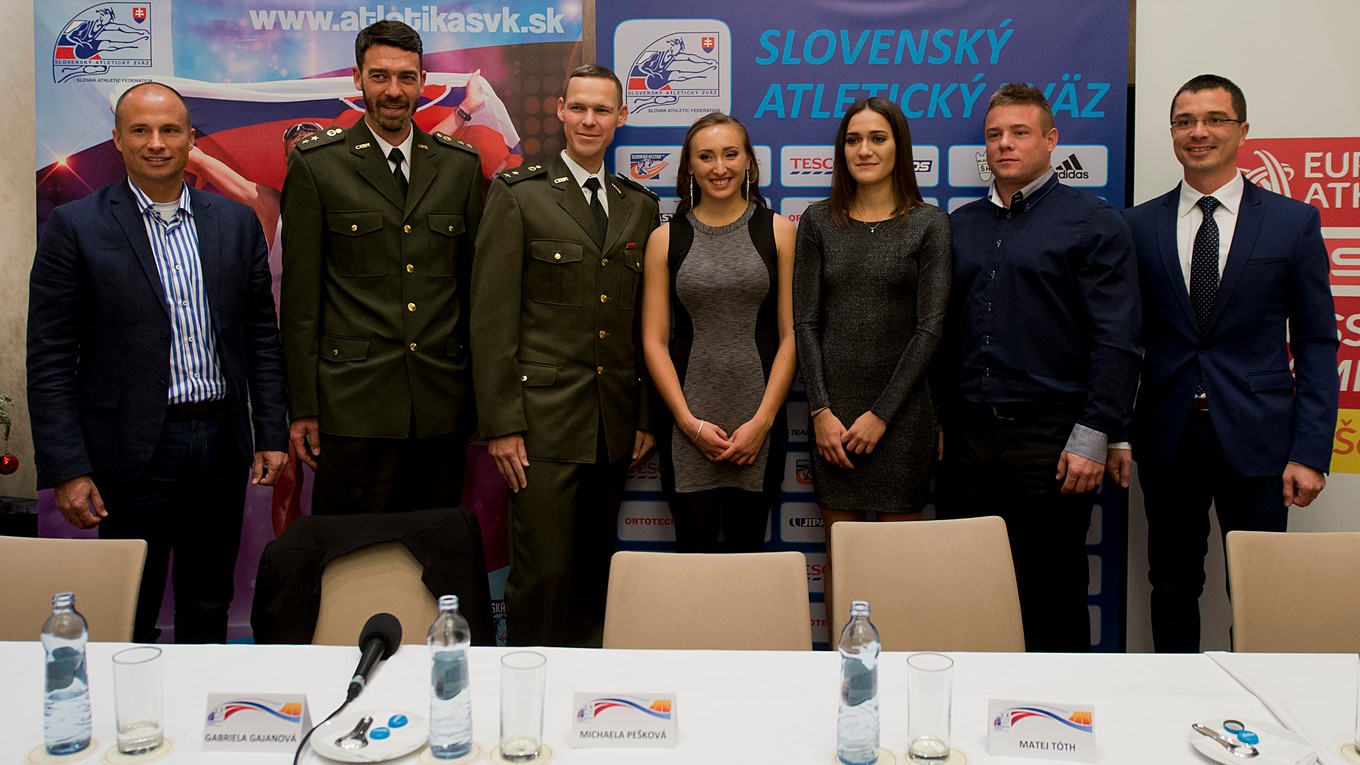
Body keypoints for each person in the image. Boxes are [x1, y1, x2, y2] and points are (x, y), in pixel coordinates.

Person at [27, 82, 288, 643]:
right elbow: (48, 359)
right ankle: (138, 726)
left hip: (220, 443)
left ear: (191, 139)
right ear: (117, 139)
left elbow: (262, 339)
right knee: (132, 608)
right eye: (141, 130)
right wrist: (68, 468)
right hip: (130, 450)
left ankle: (199, 723)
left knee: (207, 601)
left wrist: (270, 432)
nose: (156, 143)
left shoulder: (234, 224)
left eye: (170, 130)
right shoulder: (77, 228)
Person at [1109, 74, 1338, 653]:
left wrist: (1310, 452)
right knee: (1173, 585)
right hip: (1168, 437)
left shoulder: (1293, 222)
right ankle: (1174, 704)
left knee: (1260, 588)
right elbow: (1122, 340)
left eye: (1213, 119)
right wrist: (1118, 432)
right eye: (1185, 122)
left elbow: (1315, 344)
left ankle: (1264, 714)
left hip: (1261, 439)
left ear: (1242, 130)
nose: (1198, 132)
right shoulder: (1137, 226)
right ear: (1172, 133)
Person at [935, 83, 1141, 652]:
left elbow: (1118, 339)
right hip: (968, 440)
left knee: (1052, 592)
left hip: (1052, 441)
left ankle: (1055, 728)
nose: (1005, 145)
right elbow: (942, 334)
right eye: (995, 135)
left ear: (1051, 140)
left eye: (1020, 133)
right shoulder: (960, 225)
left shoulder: (1093, 223)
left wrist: (1096, 432)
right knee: (966, 588)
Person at [470, 64, 660, 647]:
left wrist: (645, 417)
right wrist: (502, 424)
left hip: (612, 424)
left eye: (602, 110)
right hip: (542, 426)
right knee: (542, 576)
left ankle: (583, 709)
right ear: (559, 110)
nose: (589, 120)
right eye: (578, 107)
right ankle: (527, 709)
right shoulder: (518, 193)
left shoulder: (639, 206)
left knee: (594, 574)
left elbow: (644, 325)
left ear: (620, 118)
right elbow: (491, 317)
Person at [280, 20, 483, 515]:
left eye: (406, 77)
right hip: (352, 407)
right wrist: (303, 406)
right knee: (352, 562)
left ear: (422, 81)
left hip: (439, 404)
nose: (394, 91)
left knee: (433, 555)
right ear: (357, 78)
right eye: (380, 76)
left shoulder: (460, 165)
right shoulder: (316, 164)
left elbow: (477, 292)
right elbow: (301, 301)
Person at [792, 97, 951, 623]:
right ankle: (845, 687)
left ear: (899, 147)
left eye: (878, 138)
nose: (865, 150)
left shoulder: (929, 223)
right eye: (854, 139)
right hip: (832, 421)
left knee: (896, 569)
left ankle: (896, 687)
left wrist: (882, 414)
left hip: (902, 418)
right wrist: (821, 412)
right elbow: (806, 323)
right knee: (845, 564)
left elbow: (930, 328)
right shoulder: (818, 221)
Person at [641, 112, 797, 554]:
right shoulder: (665, 238)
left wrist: (761, 424)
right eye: (705, 157)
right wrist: (689, 425)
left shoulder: (780, 232)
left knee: (749, 561)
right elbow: (653, 340)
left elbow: (791, 335)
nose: (719, 167)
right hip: (688, 429)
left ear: (748, 161)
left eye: (731, 154)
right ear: (689, 166)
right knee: (693, 563)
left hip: (759, 429)